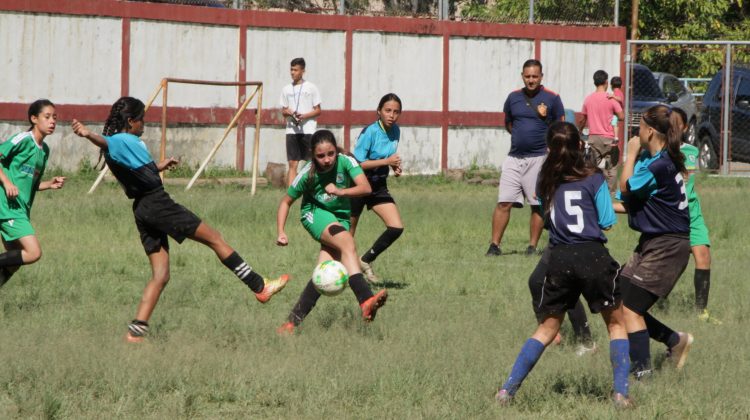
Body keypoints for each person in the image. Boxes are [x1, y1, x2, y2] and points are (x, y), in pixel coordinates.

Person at [72, 97, 289, 343]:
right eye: (142, 119)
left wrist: (161, 165)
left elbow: (142, 168)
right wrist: (87, 133)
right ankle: (260, 286)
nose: (144, 123)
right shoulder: (121, 140)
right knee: (215, 239)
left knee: (161, 275)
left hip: (142, 209)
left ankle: (135, 333)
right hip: (158, 204)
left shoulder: (127, 144)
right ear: (130, 121)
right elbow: (106, 141)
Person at [495, 121, 632, 408]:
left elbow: (548, 218)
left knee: (546, 328)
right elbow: (607, 222)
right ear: (580, 146)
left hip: (558, 258)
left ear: (548, 149)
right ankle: (620, 394)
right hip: (592, 255)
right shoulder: (594, 178)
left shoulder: (545, 180)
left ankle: (507, 391)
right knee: (617, 325)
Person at [276, 130, 388, 334]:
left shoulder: (346, 161)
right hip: (315, 214)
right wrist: (281, 231)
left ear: (336, 151)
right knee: (347, 243)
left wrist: (341, 191)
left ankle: (291, 324)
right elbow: (286, 201)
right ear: (312, 154)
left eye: (330, 154)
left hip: (340, 217)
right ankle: (365, 300)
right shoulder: (307, 173)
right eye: (320, 156)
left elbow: (365, 188)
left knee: (323, 273)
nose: (326, 160)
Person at [615, 104, 693, 379]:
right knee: (619, 298)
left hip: (666, 246)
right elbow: (634, 202)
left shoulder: (657, 164)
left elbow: (625, 188)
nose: (636, 132)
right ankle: (674, 340)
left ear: (649, 130)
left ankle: (642, 376)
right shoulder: (662, 160)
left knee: (632, 309)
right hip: (655, 241)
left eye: (639, 128)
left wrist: (630, 153)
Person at [487, 59, 565, 257]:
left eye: (535, 76)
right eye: (527, 76)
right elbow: (509, 124)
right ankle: (494, 246)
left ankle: (532, 246)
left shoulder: (552, 98)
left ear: (541, 77)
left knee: (537, 204)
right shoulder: (513, 98)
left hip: (539, 159)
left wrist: (550, 147)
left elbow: (560, 128)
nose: (531, 80)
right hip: (514, 158)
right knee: (504, 202)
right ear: (522, 76)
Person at [0, 99, 66, 288]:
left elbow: (30, 184)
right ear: (34, 118)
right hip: (8, 206)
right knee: (33, 253)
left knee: (14, 263)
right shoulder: (23, 139)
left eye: (55, 117)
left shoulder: (44, 150)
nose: (52, 121)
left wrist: (49, 184)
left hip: (21, 209)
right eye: (47, 117)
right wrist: (6, 182)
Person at [350, 93, 405, 284]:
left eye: (396, 112)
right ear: (379, 111)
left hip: (378, 185)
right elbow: (357, 163)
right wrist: (387, 161)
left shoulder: (396, 131)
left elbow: (387, 157)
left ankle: (365, 260)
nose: (392, 115)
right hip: (357, 184)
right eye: (388, 110)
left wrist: (394, 166)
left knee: (396, 227)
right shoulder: (370, 132)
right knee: (347, 238)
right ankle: (344, 276)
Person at [672, 108, 717, 323]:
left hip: (692, 214)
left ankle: (701, 311)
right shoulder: (655, 153)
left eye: (677, 123)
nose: (672, 127)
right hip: (669, 215)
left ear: (684, 127)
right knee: (672, 264)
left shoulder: (690, 151)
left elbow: (687, 181)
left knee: (703, 257)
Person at [579, 70, 624, 194]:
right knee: (612, 165)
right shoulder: (611, 98)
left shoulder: (588, 99)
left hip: (593, 137)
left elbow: (583, 119)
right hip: (609, 138)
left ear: (594, 82)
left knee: (594, 165)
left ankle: (594, 189)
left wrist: (579, 131)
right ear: (606, 82)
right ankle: (610, 191)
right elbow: (621, 116)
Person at [280, 57, 322, 186]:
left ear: (303, 71)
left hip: (308, 130)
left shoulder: (311, 87)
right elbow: (283, 110)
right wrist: (289, 113)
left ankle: (310, 190)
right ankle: (291, 194)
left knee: (310, 163)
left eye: (296, 70)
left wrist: (303, 116)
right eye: (291, 69)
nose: (293, 72)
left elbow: (318, 110)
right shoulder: (286, 89)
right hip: (292, 130)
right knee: (292, 163)